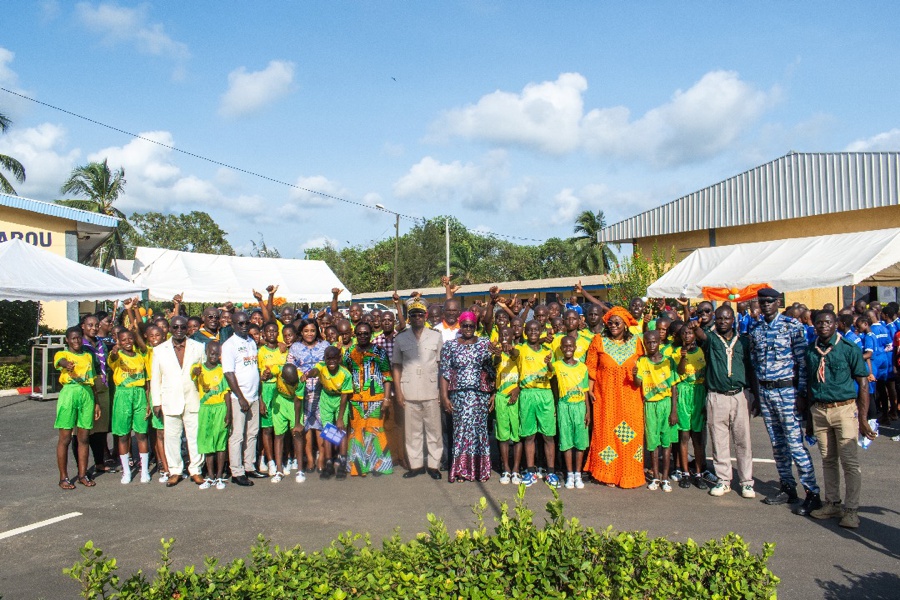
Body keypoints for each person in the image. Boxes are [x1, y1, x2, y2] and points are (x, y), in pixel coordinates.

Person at [749, 288, 820, 515]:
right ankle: (787, 487)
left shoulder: (792, 326)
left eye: (770, 301)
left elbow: (802, 363)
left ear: (778, 302)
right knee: (777, 445)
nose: (766, 305)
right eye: (762, 302)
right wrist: (757, 395)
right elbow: (755, 363)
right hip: (766, 392)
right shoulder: (756, 329)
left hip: (787, 391)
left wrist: (802, 394)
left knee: (795, 444)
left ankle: (812, 493)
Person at [805, 311, 876, 528]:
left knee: (849, 462)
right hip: (820, 411)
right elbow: (810, 385)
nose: (823, 326)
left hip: (844, 410)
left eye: (828, 322)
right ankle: (832, 503)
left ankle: (851, 510)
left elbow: (863, 384)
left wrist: (863, 419)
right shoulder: (811, 350)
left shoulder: (848, 348)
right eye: (819, 323)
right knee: (828, 460)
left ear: (836, 324)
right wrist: (809, 419)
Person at [692, 306, 756, 498]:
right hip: (717, 396)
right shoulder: (711, 339)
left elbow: (750, 368)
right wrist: (693, 320)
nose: (723, 322)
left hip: (739, 395)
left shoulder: (743, 341)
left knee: (743, 440)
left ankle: (746, 482)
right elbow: (700, 335)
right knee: (719, 440)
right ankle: (723, 480)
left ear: (733, 320)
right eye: (719, 318)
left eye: (726, 318)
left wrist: (755, 395)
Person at [584, 307, 645, 488]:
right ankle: (607, 474)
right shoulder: (598, 341)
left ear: (625, 325)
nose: (613, 326)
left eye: (617, 323)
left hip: (630, 399)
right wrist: (589, 391)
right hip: (606, 398)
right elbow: (591, 369)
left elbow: (644, 368)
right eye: (610, 323)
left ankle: (629, 474)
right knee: (606, 435)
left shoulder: (636, 342)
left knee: (629, 436)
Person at [439, 311, 495, 483]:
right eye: (465, 325)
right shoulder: (450, 346)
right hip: (459, 395)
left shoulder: (485, 343)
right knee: (461, 431)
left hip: (480, 395)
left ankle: (479, 470)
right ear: (460, 326)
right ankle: (461, 470)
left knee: (479, 431)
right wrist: (444, 396)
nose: (468, 328)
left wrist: (493, 393)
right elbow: (445, 373)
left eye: (471, 325)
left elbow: (492, 370)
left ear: (475, 326)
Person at [151, 316, 206, 487]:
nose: (179, 330)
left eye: (183, 327)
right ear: (170, 329)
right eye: (175, 327)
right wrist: (156, 402)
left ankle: (196, 470)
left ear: (188, 329)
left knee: (194, 437)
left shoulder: (198, 347)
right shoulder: (159, 350)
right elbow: (156, 379)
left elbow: (204, 372)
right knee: (172, 438)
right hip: (170, 399)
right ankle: (175, 471)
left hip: (193, 398)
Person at [391, 299, 444, 480]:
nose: (417, 318)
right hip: (409, 389)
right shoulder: (401, 338)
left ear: (425, 316)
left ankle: (434, 465)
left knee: (434, 431)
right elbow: (396, 366)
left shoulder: (436, 336)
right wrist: (398, 392)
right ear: (409, 318)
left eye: (420, 315)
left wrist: (441, 390)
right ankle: (416, 465)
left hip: (431, 389)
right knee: (412, 432)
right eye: (413, 315)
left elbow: (441, 365)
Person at [510, 320, 558, 488]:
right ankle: (530, 471)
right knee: (529, 435)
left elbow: (553, 373)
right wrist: (509, 349)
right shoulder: (521, 348)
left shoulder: (547, 350)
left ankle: (551, 472)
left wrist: (549, 363)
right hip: (527, 394)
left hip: (545, 394)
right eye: (529, 330)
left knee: (548, 436)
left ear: (541, 331)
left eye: (536, 330)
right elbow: (514, 353)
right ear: (525, 332)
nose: (533, 332)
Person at [343, 322, 394, 476]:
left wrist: (386, 398)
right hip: (355, 400)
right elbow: (345, 374)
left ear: (371, 334)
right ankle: (358, 467)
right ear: (355, 335)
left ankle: (379, 466)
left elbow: (387, 376)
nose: (363, 336)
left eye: (366, 333)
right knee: (356, 431)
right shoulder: (349, 352)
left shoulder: (380, 352)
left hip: (376, 399)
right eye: (360, 333)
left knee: (375, 430)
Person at [221, 311, 265, 487]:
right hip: (239, 397)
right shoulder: (229, 345)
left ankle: (249, 466)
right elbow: (228, 373)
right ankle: (237, 471)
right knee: (237, 435)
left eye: (247, 323)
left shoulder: (251, 342)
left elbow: (255, 368)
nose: (244, 326)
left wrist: (258, 397)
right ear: (233, 325)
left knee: (252, 433)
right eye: (240, 323)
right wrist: (240, 397)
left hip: (253, 395)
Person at [54, 326, 100, 489]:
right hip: (69, 394)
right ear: (67, 340)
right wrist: (67, 365)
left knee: (84, 437)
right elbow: (60, 362)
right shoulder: (63, 354)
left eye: (79, 337)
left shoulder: (88, 356)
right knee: (65, 438)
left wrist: (96, 402)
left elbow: (92, 380)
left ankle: (82, 474)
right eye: (73, 338)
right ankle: (63, 477)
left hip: (86, 394)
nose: (76, 341)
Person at [633, 331, 679, 493]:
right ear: (645, 344)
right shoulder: (642, 361)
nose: (651, 345)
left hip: (665, 404)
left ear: (659, 342)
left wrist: (674, 411)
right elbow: (637, 384)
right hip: (650, 405)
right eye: (648, 342)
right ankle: (655, 477)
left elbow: (674, 387)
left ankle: (665, 478)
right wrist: (634, 375)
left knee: (666, 443)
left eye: (654, 342)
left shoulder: (668, 361)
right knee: (652, 444)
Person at [107, 328, 151, 484]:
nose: (127, 342)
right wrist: (115, 351)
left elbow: (146, 382)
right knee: (123, 434)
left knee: (141, 433)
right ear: (118, 341)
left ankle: (144, 470)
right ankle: (126, 471)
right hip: (123, 394)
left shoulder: (140, 357)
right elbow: (112, 358)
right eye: (123, 339)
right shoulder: (116, 355)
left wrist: (148, 402)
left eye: (130, 339)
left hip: (139, 395)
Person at [548, 335, 592, 490]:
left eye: (570, 346)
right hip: (564, 406)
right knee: (566, 441)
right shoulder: (558, 365)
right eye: (565, 346)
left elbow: (585, 391)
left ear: (575, 348)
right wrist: (548, 363)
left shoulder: (582, 367)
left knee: (580, 441)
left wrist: (588, 411)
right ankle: (570, 474)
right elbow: (551, 372)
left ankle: (578, 474)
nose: (568, 349)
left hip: (579, 406)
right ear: (561, 348)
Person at [287, 318, 330, 472]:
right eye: (306, 331)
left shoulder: (325, 346)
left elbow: (330, 364)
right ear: (301, 332)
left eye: (312, 330)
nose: (309, 334)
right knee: (306, 426)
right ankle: (310, 459)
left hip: (321, 391)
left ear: (317, 331)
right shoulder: (295, 347)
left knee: (321, 425)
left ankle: (322, 458)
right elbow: (289, 367)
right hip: (303, 392)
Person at [307, 346, 353, 479]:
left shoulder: (346, 374)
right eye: (328, 359)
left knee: (340, 430)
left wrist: (340, 418)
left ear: (339, 359)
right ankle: (329, 464)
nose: (331, 361)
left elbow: (344, 396)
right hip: (326, 399)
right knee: (328, 431)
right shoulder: (322, 367)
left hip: (340, 401)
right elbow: (315, 371)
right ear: (324, 359)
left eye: (334, 358)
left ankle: (342, 464)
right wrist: (308, 374)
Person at [192, 341, 232, 490]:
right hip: (205, 408)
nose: (214, 356)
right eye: (212, 353)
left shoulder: (222, 370)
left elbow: (226, 393)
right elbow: (193, 373)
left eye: (217, 354)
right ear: (206, 353)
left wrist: (229, 413)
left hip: (220, 407)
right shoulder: (199, 368)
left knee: (220, 442)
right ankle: (210, 476)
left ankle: (220, 476)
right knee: (207, 442)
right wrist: (196, 372)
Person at [673, 324, 707, 489]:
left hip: (698, 392)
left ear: (695, 335)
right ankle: (685, 472)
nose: (687, 335)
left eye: (689, 333)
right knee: (684, 435)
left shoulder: (702, 351)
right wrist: (683, 357)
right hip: (684, 393)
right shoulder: (677, 352)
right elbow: (680, 372)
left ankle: (699, 472)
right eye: (684, 333)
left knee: (698, 437)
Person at [80, 314, 113, 475]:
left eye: (96, 325)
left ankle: (99, 462)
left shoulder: (101, 342)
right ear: (83, 326)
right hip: (87, 387)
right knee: (84, 430)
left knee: (101, 429)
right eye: (90, 325)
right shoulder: (79, 344)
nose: (93, 328)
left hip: (103, 385)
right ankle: (82, 468)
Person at [491, 328, 522, 485]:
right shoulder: (496, 353)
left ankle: (516, 469)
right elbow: (495, 363)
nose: (504, 337)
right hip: (501, 397)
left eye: (507, 335)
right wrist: (497, 354)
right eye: (502, 335)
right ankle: (506, 469)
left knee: (517, 434)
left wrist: (517, 389)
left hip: (516, 397)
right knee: (503, 435)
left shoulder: (518, 351)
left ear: (512, 336)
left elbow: (516, 355)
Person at [257, 322, 287, 475]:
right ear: (264, 333)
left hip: (281, 389)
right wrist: (261, 399)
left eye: (274, 331)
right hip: (266, 390)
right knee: (267, 429)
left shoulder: (283, 349)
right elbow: (258, 376)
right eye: (268, 331)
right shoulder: (261, 351)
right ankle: (270, 461)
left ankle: (282, 460)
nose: (271, 333)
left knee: (280, 429)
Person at [270, 363, 306, 483]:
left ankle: (300, 470)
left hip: (293, 403)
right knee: (279, 435)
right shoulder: (278, 369)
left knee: (297, 434)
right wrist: (266, 375)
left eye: (294, 381)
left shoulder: (300, 380)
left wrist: (297, 423)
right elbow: (269, 374)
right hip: (279, 400)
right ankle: (279, 470)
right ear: (283, 378)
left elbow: (297, 402)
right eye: (290, 383)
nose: (293, 384)